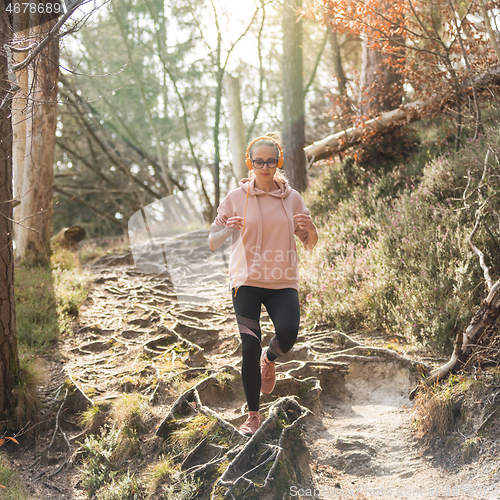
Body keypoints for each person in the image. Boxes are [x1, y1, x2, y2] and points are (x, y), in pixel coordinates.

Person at [208, 134, 318, 436]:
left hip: (283, 280)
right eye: (259, 162)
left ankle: (269, 360)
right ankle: (253, 415)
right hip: (246, 281)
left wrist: (311, 229)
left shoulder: (292, 198)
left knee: (288, 334)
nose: (265, 166)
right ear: (250, 163)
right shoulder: (235, 198)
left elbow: (309, 242)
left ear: (279, 161)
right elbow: (212, 241)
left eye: (271, 161)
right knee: (249, 345)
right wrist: (225, 230)